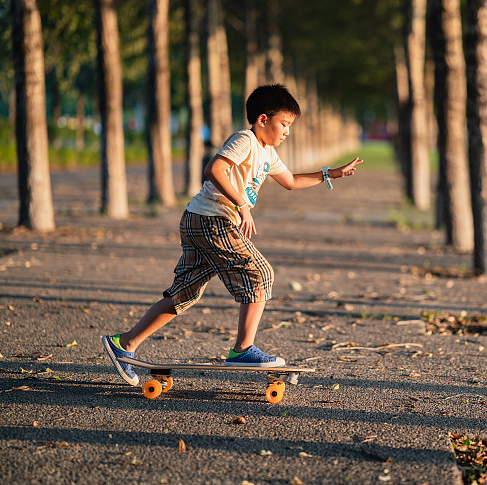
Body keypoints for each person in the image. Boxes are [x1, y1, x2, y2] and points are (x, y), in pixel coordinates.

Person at [102, 83, 363, 385]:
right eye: (284, 124)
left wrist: (331, 174)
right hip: (213, 219)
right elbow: (214, 169)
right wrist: (242, 204)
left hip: (198, 219)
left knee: (184, 295)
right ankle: (242, 350)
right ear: (263, 119)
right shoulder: (246, 140)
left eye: (290, 126)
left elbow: (290, 180)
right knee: (260, 274)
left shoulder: (267, 153)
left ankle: (124, 344)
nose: (287, 132)